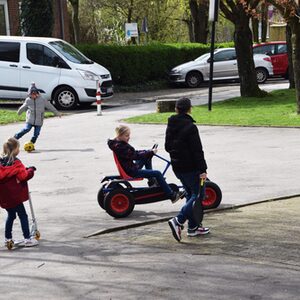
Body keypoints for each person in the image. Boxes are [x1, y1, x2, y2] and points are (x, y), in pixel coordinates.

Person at [165, 97, 210, 242]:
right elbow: (197, 150)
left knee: (190, 194)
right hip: (191, 167)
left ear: (176, 108)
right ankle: (178, 220)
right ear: (190, 109)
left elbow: (167, 147)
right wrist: (203, 169)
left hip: (177, 167)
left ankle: (193, 227)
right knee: (197, 196)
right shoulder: (191, 127)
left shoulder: (171, 124)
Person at [108, 125, 182, 203]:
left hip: (129, 166)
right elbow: (135, 155)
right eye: (127, 136)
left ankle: (152, 182)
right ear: (119, 135)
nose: (129, 137)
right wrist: (149, 152)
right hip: (132, 171)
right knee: (158, 173)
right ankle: (172, 195)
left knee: (147, 157)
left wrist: (148, 152)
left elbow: (134, 153)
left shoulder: (117, 144)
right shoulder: (121, 147)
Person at [0, 137, 38, 247]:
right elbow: (23, 176)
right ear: (15, 150)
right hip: (15, 196)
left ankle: (8, 238)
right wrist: (30, 170)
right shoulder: (17, 163)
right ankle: (27, 238)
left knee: (11, 215)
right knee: (23, 215)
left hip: (4, 197)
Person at [14, 82, 61, 150]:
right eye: (31, 95)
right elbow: (23, 107)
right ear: (29, 94)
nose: (33, 96)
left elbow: (50, 106)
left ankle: (31, 144)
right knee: (26, 129)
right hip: (30, 119)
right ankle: (15, 137)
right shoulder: (28, 100)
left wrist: (57, 113)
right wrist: (19, 112)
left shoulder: (42, 100)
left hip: (39, 120)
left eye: (34, 94)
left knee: (36, 134)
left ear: (37, 93)